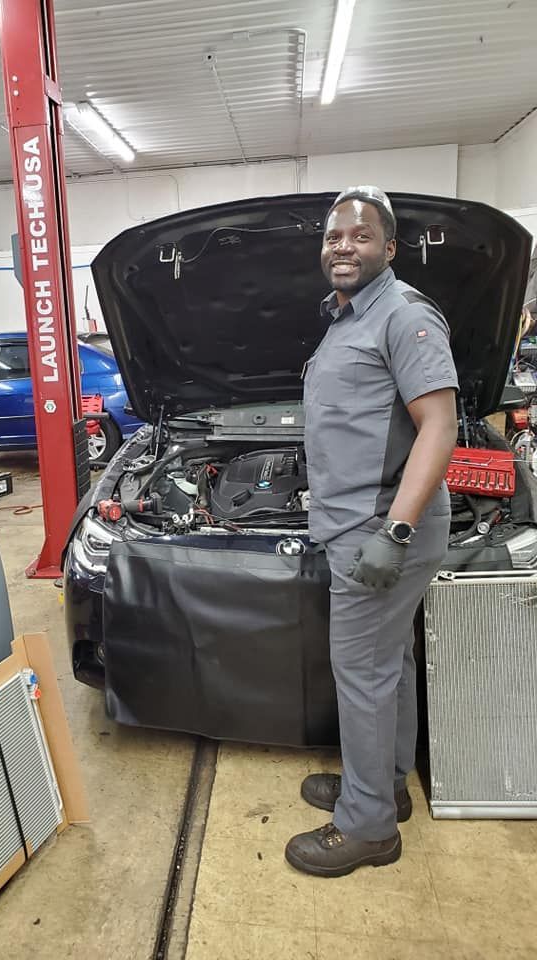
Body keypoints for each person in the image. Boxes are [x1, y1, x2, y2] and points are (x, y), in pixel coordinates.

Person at [285, 186, 459, 878]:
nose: (343, 247)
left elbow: (439, 426)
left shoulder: (405, 316)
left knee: (361, 674)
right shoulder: (345, 316)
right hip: (354, 525)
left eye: (360, 237)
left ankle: (367, 828)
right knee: (389, 666)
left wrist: (396, 531)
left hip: (379, 533)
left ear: (389, 248)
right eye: (334, 237)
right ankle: (382, 784)